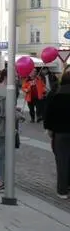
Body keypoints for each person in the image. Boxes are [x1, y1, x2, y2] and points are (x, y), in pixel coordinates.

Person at [44, 69, 70, 198]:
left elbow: (48, 113)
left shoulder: (55, 94)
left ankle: (62, 190)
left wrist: (49, 128)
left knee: (62, 161)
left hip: (59, 133)